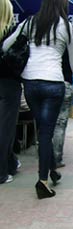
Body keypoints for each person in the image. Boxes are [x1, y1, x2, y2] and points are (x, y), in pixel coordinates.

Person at [3, 0, 73, 198]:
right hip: (54, 85)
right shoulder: (67, 26)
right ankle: (42, 181)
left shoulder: (30, 22)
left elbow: (6, 46)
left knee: (43, 131)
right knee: (46, 133)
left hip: (30, 84)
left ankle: (52, 170)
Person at [0, 0, 22, 184]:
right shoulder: (12, 32)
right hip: (9, 84)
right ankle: (2, 171)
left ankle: (11, 163)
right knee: (6, 128)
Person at [53, 50, 73, 169]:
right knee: (60, 124)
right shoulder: (68, 39)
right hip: (64, 84)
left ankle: (45, 155)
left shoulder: (43, 39)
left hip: (44, 82)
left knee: (45, 123)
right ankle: (56, 158)